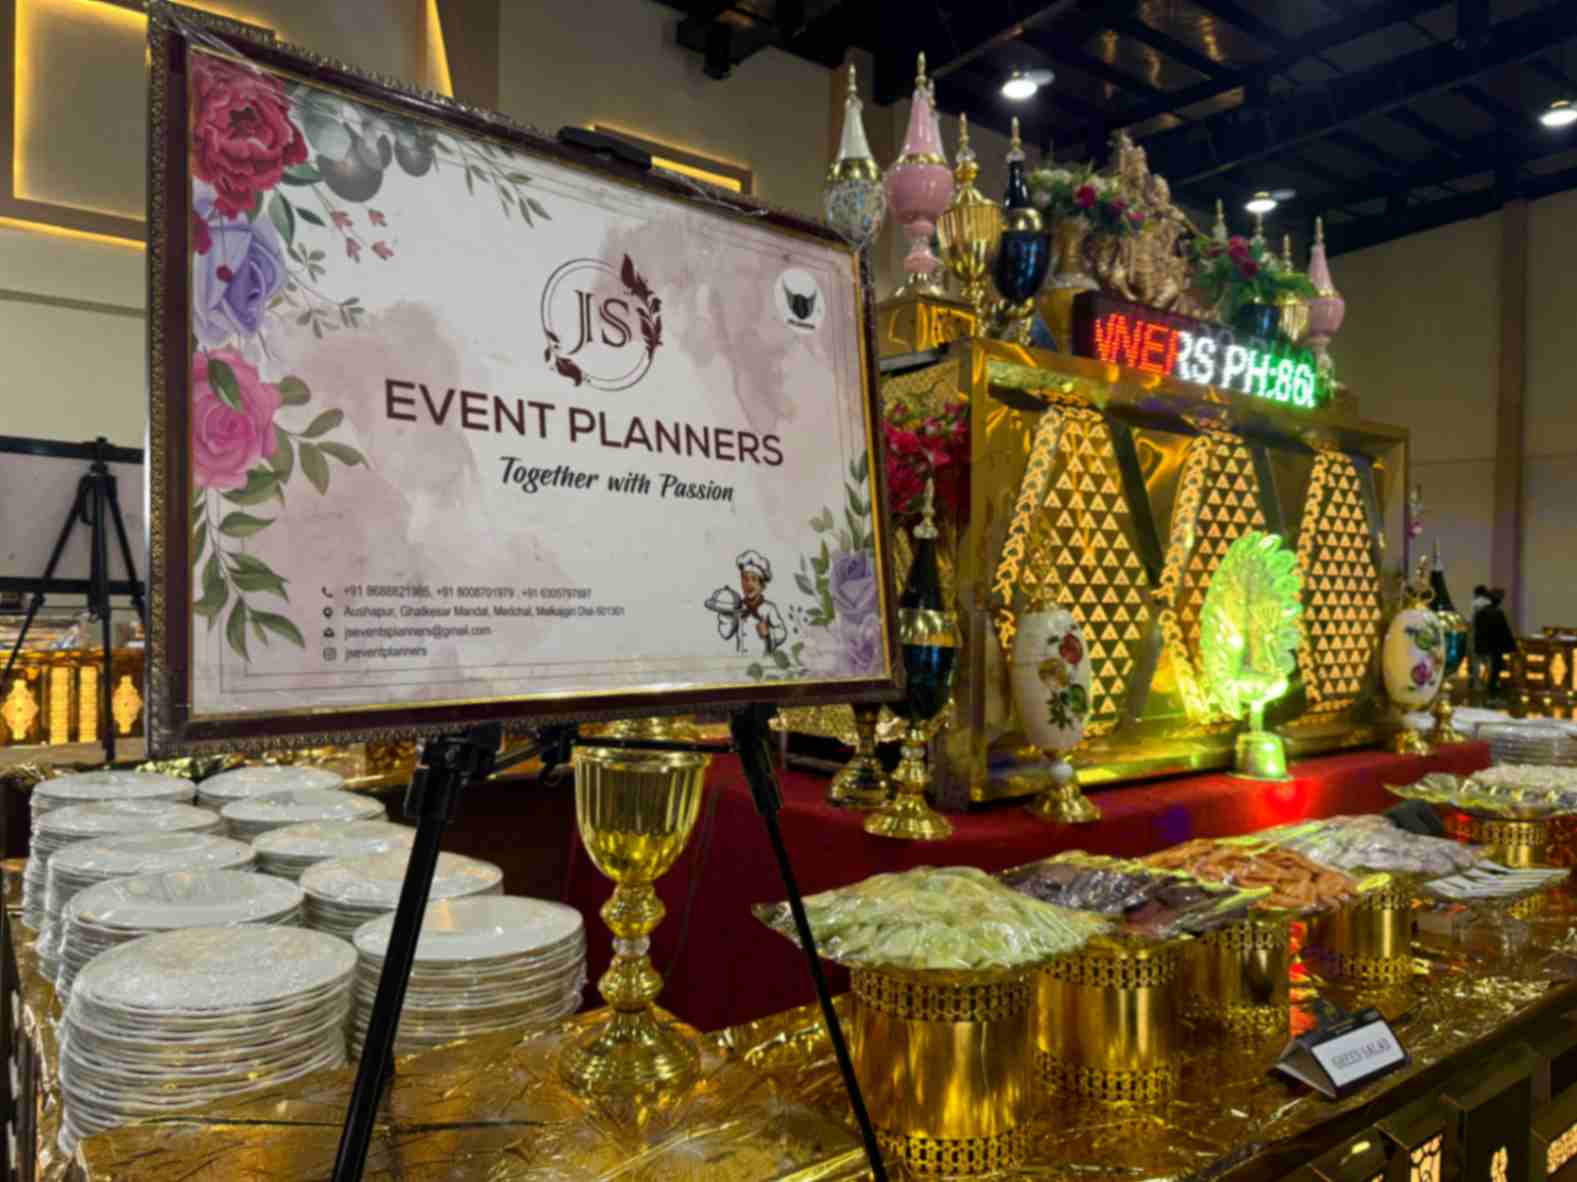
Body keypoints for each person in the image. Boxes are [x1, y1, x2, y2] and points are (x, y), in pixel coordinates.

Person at [712, 550, 786, 657]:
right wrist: (726, 612)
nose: (748, 584)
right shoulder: (738, 607)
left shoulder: (769, 608)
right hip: (741, 661)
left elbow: (781, 632)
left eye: (754, 579)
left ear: (762, 586)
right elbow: (725, 634)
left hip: (763, 660)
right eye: (745, 579)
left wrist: (768, 632)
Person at [1477, 587, 1517, 703]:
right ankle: (1491, 695)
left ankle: (1486, 695)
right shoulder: (1498, 613)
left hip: (1484, 647)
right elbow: (1504, 631)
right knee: (1494, 672)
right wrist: (1512, 647)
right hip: (1495, 648)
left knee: (1487, 672)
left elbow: (1478, 632)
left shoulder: (1481, 612)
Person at [1469, 584, 1493, 700]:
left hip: (1477, 635)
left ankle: (1477, 684)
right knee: (1488, 660)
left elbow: (1472, 620)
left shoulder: (1475, 603)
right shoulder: (1490, 603)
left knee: (1476, 661)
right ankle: (1487, 682)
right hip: (1489, 635)